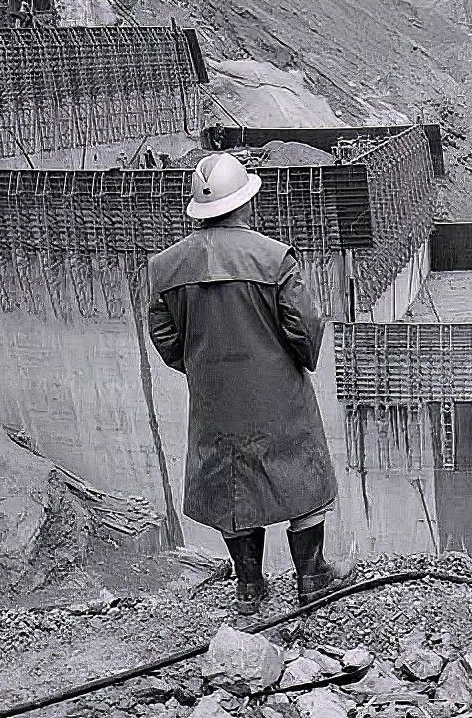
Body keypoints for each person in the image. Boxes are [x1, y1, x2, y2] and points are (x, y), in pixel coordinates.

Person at [146, 153, 352, 615]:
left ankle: (250, 588)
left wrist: (202, 368)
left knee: (230, 486)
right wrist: (297, 362)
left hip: (214, 400)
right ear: (245, 201)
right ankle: (313, 579)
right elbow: (305, 324)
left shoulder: (165, 268)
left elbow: (163, 335)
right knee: (302, 477)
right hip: (278, 392)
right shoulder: (274, 258)